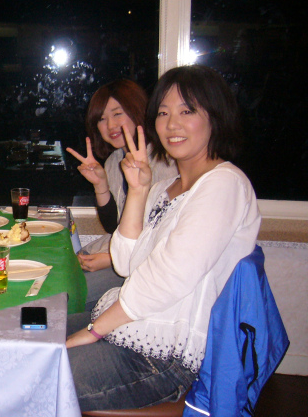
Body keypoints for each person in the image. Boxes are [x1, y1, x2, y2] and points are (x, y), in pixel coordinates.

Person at [66, 65, 261, 411]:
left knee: (34, 370)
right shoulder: (164, 188)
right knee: (28, 332)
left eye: (187, 111)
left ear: (215, 117)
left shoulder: (223, 184)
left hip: (165, 355)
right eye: (163, 113)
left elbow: (168, 277)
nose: (172, 124)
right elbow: (126, 262)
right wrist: (139, 190)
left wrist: (95, 330)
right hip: (133, 325)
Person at [66, 79, 177, 310]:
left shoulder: (165, 162)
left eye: (118, 114)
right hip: (117, 252)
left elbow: (164, 238)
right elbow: (113, 227)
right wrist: (101, 185)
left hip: (143, 267)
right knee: (60, 272)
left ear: (138, 111)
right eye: (101, 119)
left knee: (68, 294)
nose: (110, 125)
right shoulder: (115, 160)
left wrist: (110, 259)